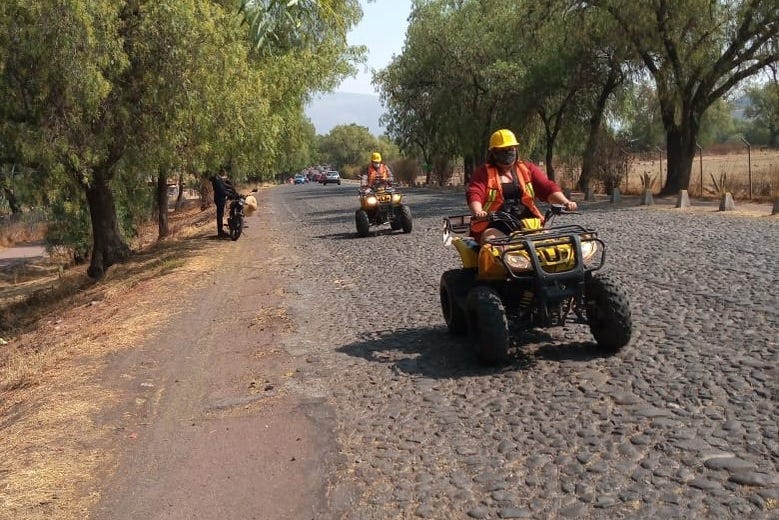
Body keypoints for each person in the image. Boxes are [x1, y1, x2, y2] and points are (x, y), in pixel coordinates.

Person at [466, 128, 578, 243]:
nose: (508, 152)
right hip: (494, 224)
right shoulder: (483, 172)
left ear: (516, 149)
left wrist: (565, 202)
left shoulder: (527, 169)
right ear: (494, 153)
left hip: (527, 222)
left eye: (511, 148)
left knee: (550, 244)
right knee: (494, 243)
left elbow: (547, 188)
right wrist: (478, 211)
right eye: (503, 150)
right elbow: (475, 192)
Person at [210, 170, 236, 238]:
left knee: (220, 215)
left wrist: (231, 188)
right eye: (224, 174)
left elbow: (224, 185)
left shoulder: (218, 179)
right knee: (220, 215)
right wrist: (230, 194)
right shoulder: (217, 179)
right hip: (219, 199)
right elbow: (222, 191)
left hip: (219, 198)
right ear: (222, 173)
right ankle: (220, 232)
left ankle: (220, 231)